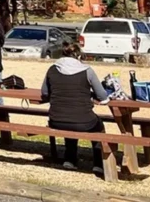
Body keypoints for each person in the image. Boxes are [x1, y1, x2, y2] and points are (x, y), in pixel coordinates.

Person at [41, 42, 110, 173]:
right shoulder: (87, 71)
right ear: (78, 56)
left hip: (56, 120)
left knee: (69, 120)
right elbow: (102, 95)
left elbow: (45, 92)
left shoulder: (52, 69)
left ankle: (70, 159)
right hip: (83, 121)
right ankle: (98, 163)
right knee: (98, 126)